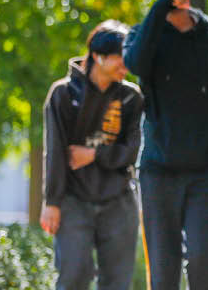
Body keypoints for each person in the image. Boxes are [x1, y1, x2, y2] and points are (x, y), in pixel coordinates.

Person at [124, 0, 208, 290]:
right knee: (163, 272)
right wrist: (161, 10)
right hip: (160, 172)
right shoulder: (143, 34)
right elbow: (136, 64)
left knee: (203, 266)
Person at [41, 20, 143, 290]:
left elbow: (131, 152)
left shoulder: (132, 98)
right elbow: (55, 152)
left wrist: (94, 154)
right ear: (98, 56)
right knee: (73, 276)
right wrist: (51, 201)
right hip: (74, 199)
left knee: (117, 282)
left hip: (118, 199)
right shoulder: (62, 95)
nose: (127, 65)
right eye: (121, 58)